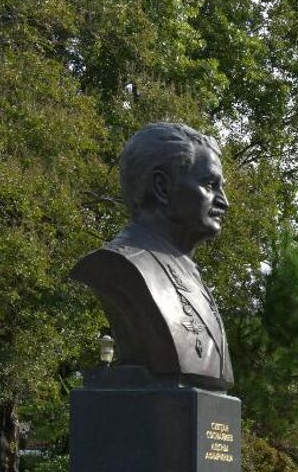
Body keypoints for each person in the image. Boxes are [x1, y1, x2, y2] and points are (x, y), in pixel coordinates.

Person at [71, 122, 234, 390]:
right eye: (210, 185)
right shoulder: (124, 267)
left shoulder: (191, 275)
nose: (223, 201)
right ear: (162, 187)